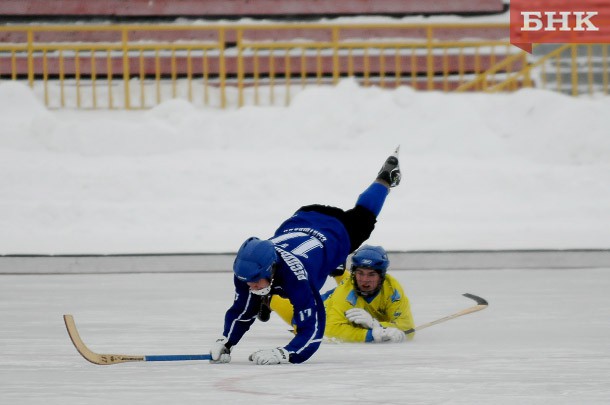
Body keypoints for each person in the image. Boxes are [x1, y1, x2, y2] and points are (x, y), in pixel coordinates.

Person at [209, 147, 401, 365]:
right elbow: (240, 311)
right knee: (252, 300)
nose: (249, 284)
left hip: (336, 230)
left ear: (271, 268)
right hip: (302, 219)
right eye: (248, 281)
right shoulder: (247, 272)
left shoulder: (298, 279)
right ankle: (269, 295)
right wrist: (225, 341)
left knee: (365, 215)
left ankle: (385, 178)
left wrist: (286, 353)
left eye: (255, 281)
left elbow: (314, 328)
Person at [323, 244, 415, 343]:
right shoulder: (344, 292)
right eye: (360, 273)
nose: (365, 280)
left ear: (381, 276)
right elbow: (330, 330)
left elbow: (407, 328)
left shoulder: (392, 290)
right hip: (319, 308)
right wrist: (370, 335)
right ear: (354, 273)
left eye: (371, 274)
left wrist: (375, 325)